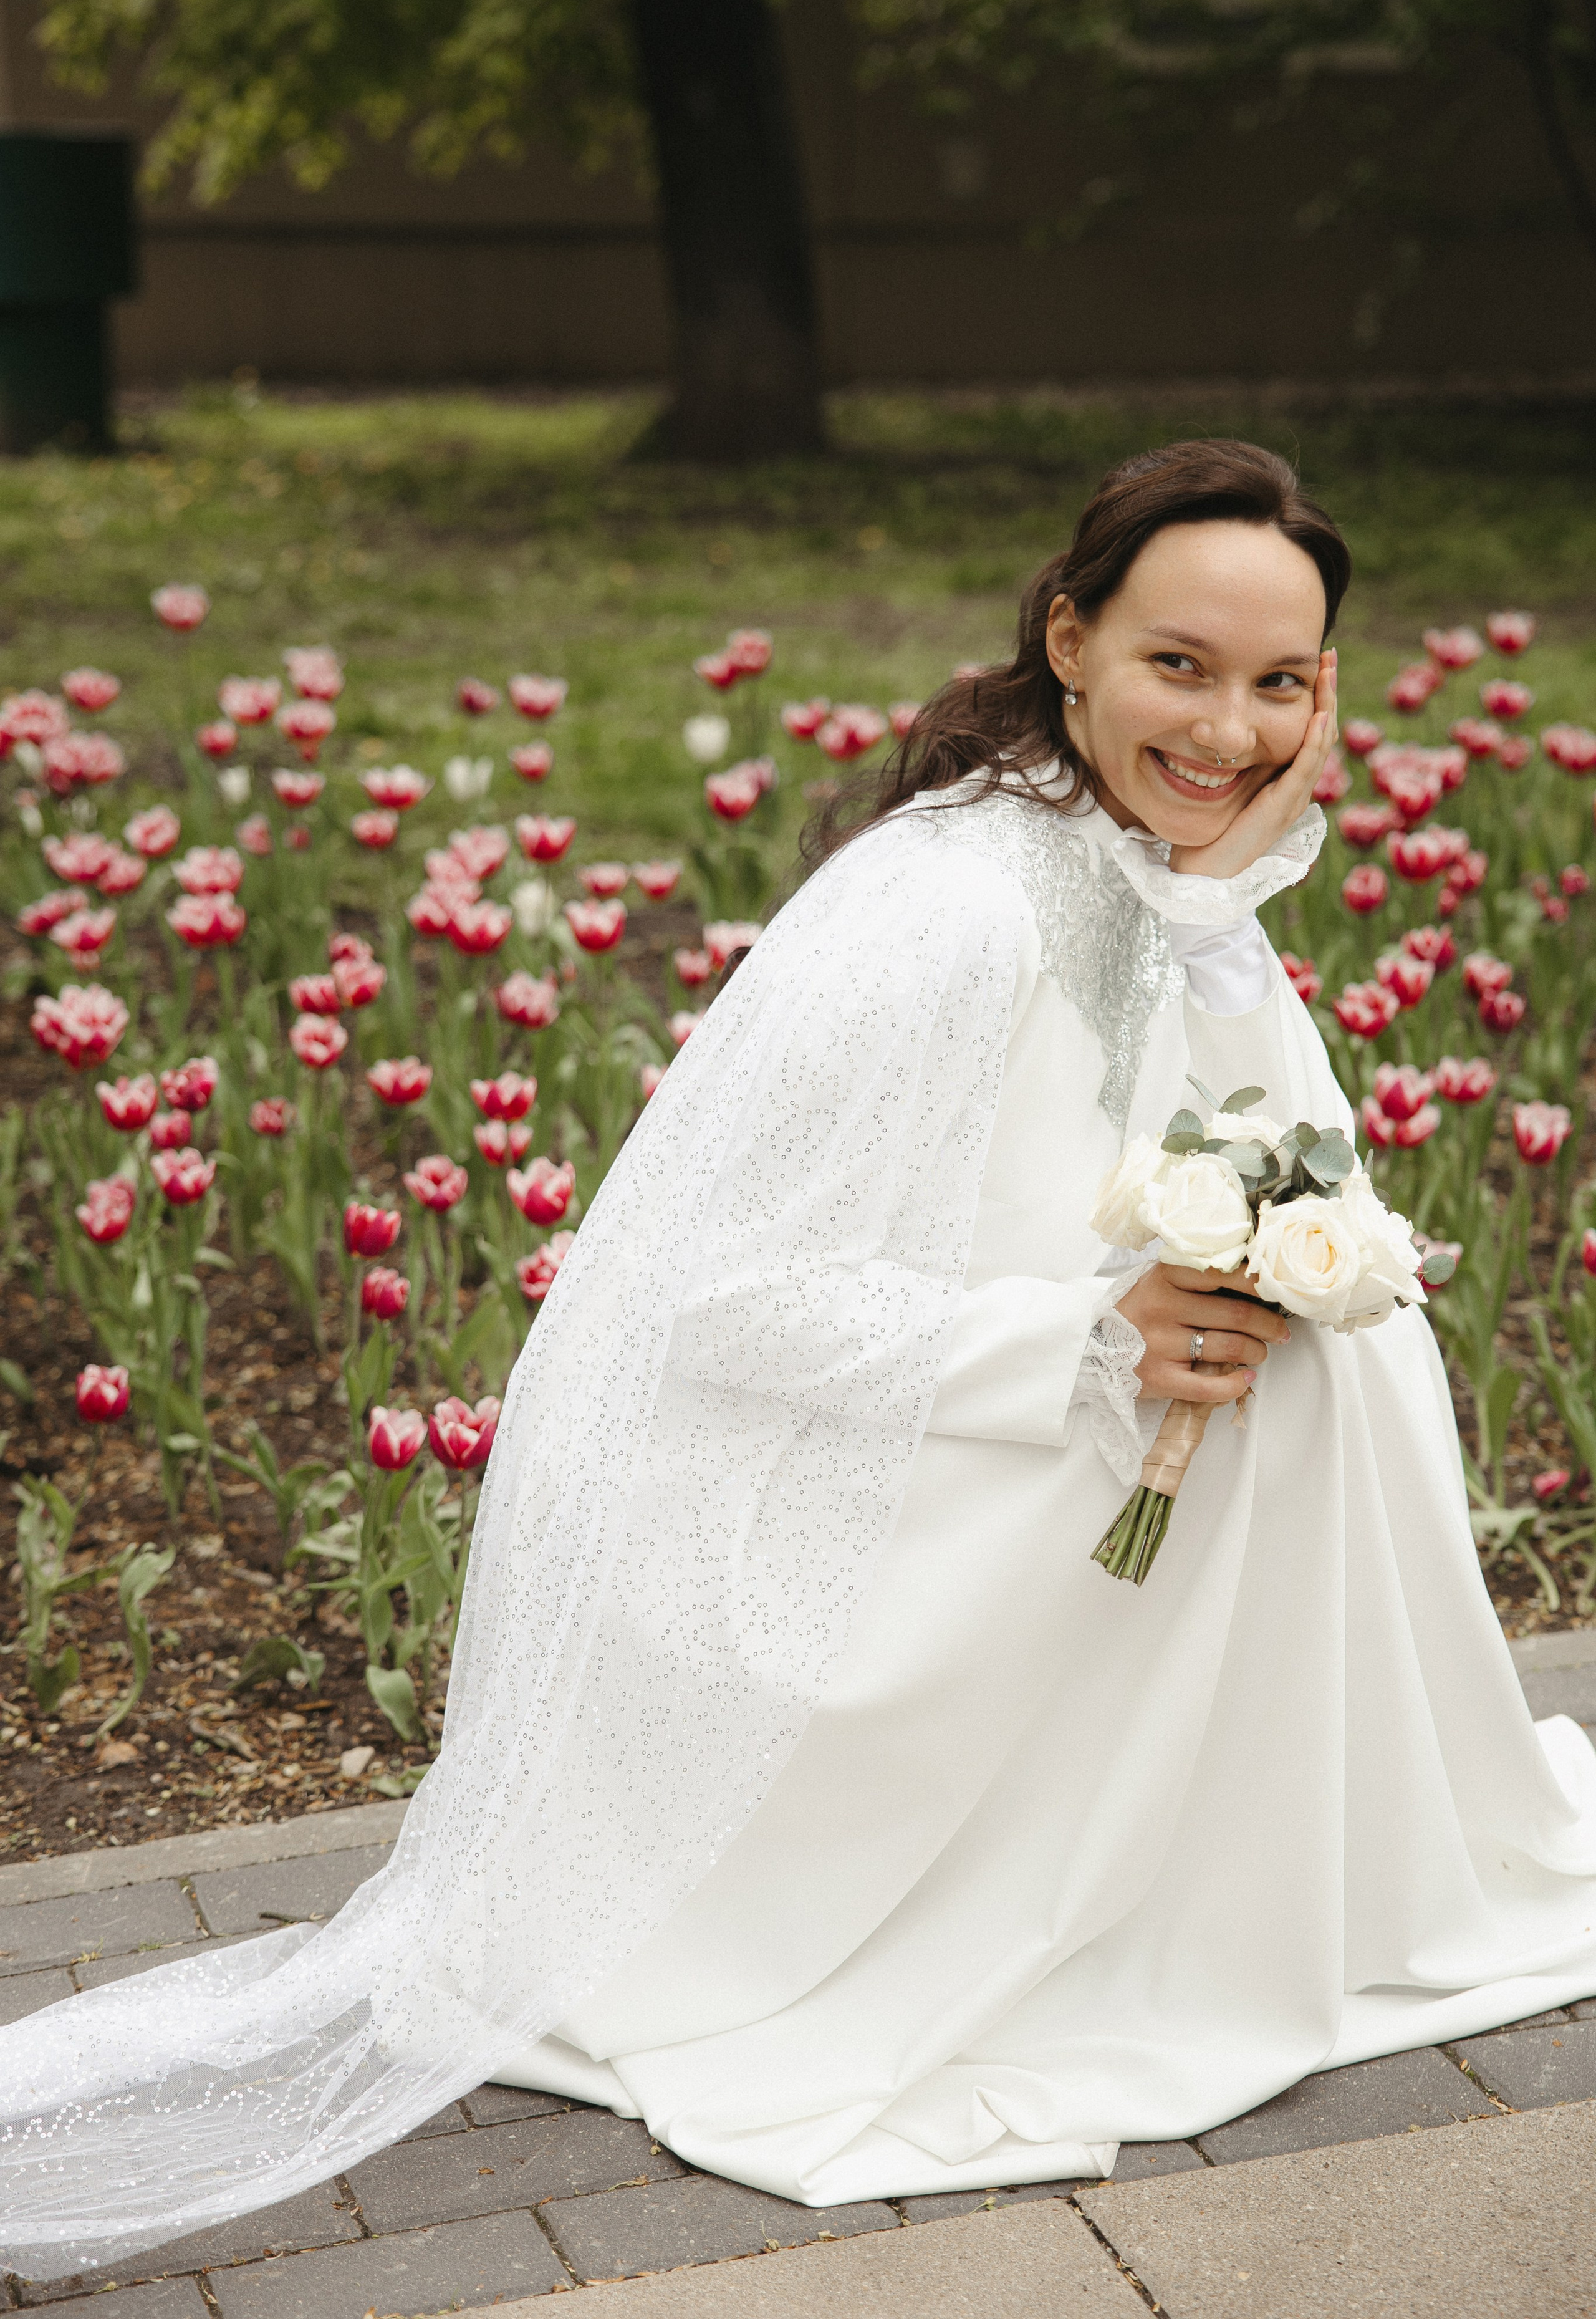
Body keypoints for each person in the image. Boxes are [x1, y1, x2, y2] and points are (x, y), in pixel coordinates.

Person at [6, 438, 1596, 2279]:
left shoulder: (1151, 869)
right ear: (1069, 641)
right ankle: (1136, 1893)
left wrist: (1221, 922)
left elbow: (1277, 1147)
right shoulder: (944, 910)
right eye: (1180, 664)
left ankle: (1255, 1868)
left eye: (1281, 685)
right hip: (830, 1489)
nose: (1230, 731)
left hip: (992, 1407)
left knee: (1317, 1345)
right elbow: (716, 1298)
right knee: (1269, 1386)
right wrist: (1088, 1335)